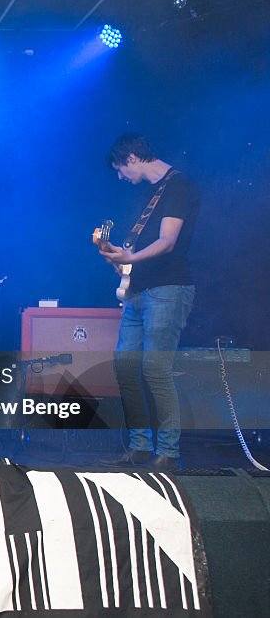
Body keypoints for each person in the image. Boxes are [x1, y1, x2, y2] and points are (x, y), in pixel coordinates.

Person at [98, 133, 198, 470]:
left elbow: (167, 242)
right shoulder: (149, 195)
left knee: (155, 369)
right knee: (125, 366)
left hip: (168, 289)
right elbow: (135, 254)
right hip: (138, 292)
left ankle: (168, 451)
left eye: (119, 169)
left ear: (130, 158)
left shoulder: (178, 185)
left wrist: (132, 256)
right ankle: (140, 444)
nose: (120, 177)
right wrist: (117, 257)